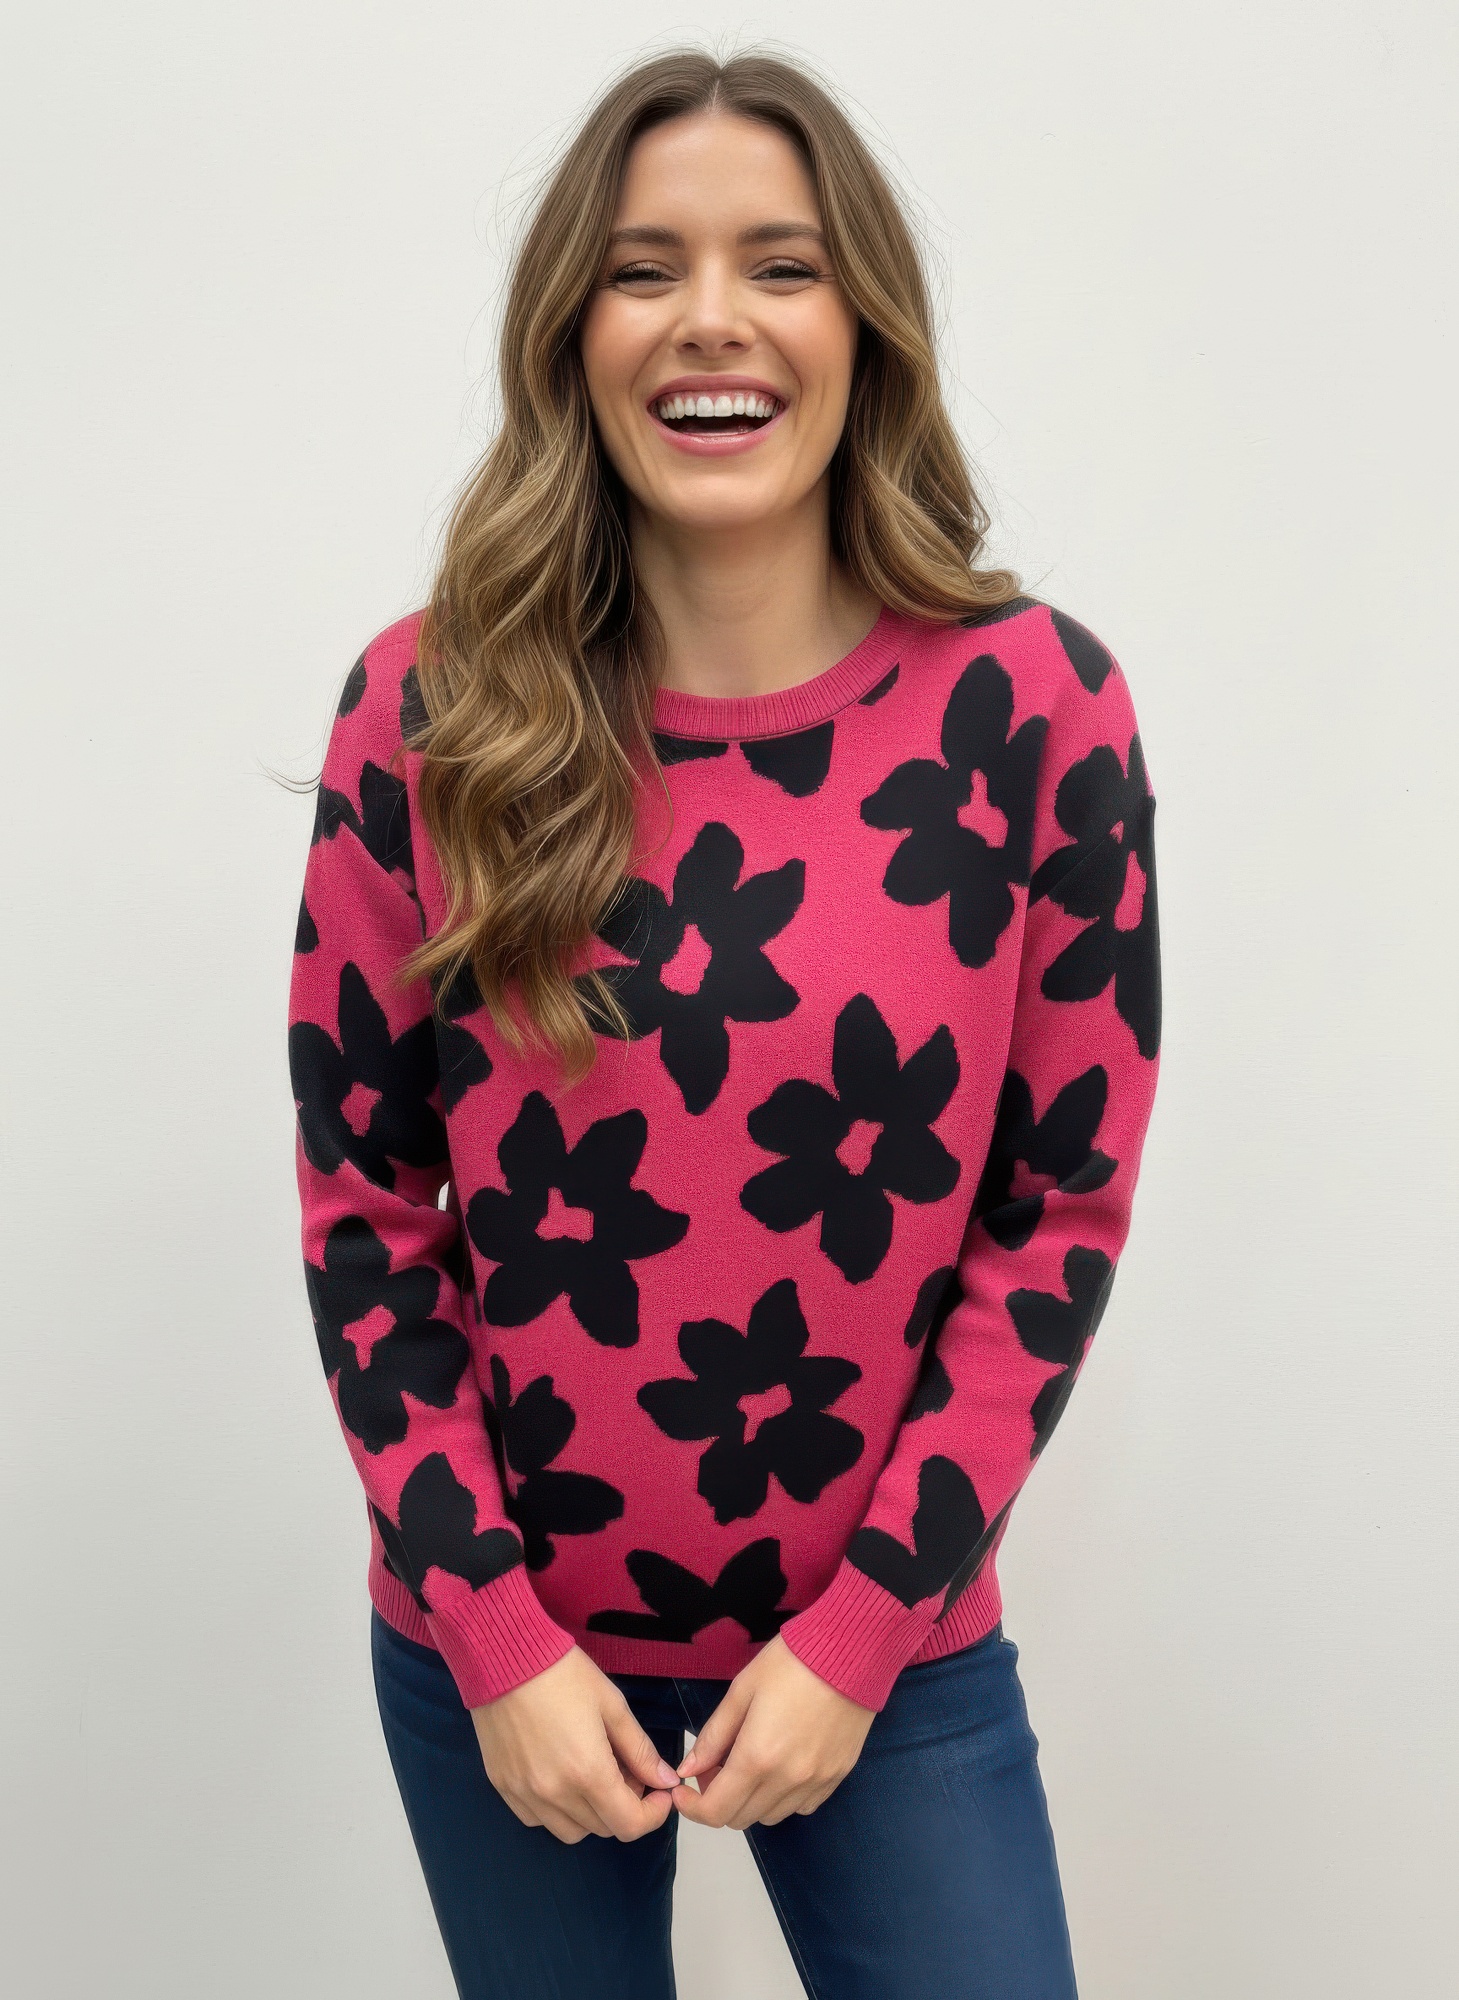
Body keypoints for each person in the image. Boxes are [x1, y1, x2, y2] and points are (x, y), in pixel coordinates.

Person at [287, 44, 1162, 2000]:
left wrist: (858, 1641)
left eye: (779, 263)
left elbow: (1055, 1222)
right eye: (641, 269)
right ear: (571, 337)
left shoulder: (1036, 711)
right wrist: (494, 1637)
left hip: (887, 1650)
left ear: (864, 326)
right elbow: (368, 1219)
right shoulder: (425, 715)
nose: (710, 319)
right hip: (505, 1661)